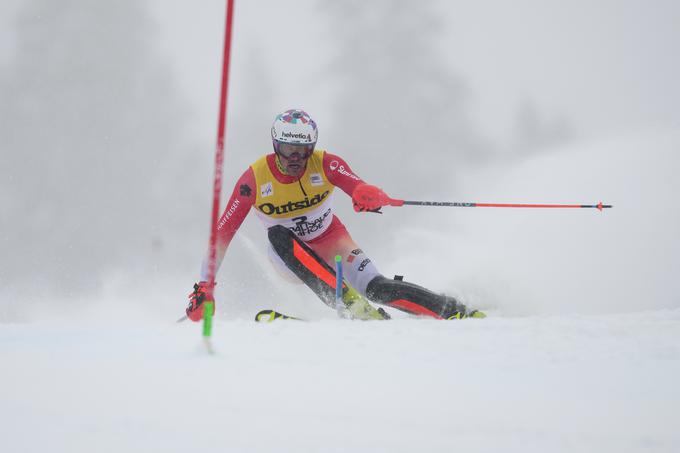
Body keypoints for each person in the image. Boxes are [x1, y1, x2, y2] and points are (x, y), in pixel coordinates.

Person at [186, 109, 484, 321]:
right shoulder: (254, 179)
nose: (295, 159)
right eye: (287, 149)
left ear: (311, 148)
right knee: (277, 233)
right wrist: (205, 286)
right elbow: (222, 234)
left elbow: (355, 184)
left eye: (302, 151)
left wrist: (365, 194)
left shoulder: (325, 164)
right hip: (289, 257)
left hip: (332, 242)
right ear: (276, 145)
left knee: (378, 288)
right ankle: (349, 302)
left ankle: (456, 311)